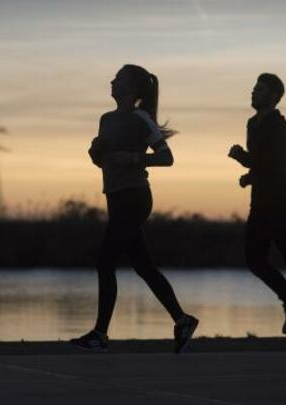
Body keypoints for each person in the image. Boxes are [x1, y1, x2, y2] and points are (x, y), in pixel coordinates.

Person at [71, 64, 198, 353]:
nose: (112, 81)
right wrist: (96, 155)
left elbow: (167, 158)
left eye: (119, 78)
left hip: (135, 198)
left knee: (105, 262)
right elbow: (105, 162)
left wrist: (133, 158)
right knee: (143, 267)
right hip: (115, 197)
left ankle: (100, 335)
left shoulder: (141, 118)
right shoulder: (105, 119)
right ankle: (183, 319)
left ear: (133, 87)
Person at [228, 73, 286, 334]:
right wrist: (248, 168)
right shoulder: (252, 124)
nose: (253, 92)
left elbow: (275, 164)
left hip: (281, 204)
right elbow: (262, 161)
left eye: (260, 89)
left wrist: (245, 165)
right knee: (255, 260)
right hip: (260, 203)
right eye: (253, 88)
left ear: (274, 96)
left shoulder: (279, 126)